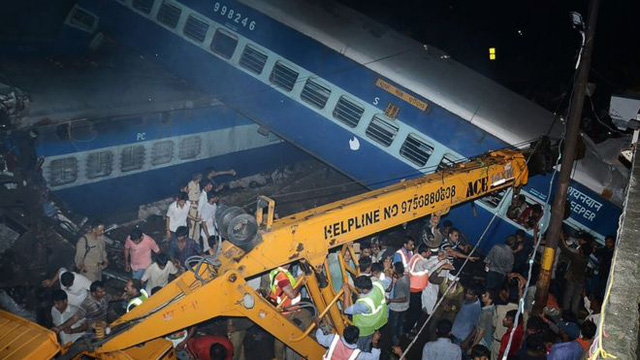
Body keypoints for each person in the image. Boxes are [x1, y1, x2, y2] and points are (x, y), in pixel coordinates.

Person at [343, 276, 388, 352]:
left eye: (357, 288)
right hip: (378, 322)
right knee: (369, 341)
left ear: (364, 290)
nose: (356, 289)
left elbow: (346, 310)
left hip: (364, 330)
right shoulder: (378, 284)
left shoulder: (365, 304)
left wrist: (346, 293)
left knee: (362, 347)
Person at [559, 233, 592, 315]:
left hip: (572, 279)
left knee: (567, 297)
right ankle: (574, 315)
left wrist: (561, 238)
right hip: (580, 280)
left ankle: (566, 313)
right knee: (576, 299)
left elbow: (564, 249)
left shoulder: (576, 257)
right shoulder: (586, 259)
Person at [315, 325, 381, 359]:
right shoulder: (356, 354)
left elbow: (320, 339)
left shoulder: (333, 339)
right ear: (355, 339)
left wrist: (317, 325)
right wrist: (375, 342)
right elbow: (374, 358)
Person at [452, 284, 482, 350]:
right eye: (467, 292)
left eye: (470, 294)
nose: (467, 295)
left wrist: (466, 341)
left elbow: (475, 327)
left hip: (461, 338)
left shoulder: (476, 308)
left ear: (476, 296)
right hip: (454, 333)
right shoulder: (467, 301)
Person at [387, 262, 409, 346]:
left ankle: (394, 344)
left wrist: (390, 300)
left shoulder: (400, 283)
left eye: (393, 268)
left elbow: (403, 298)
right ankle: (398, 339)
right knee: (399, 324)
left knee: (394, 326)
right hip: (404, 308)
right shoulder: (406, 278)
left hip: (397, 308)